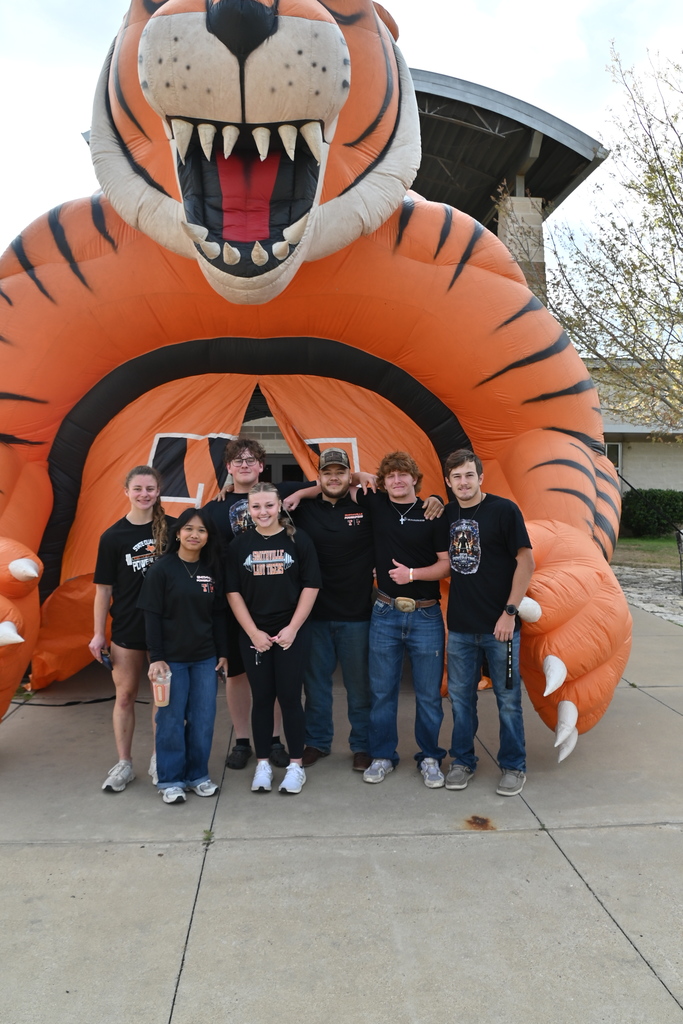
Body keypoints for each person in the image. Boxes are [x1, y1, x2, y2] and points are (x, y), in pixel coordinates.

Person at [204, 437, 317, 771]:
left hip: (279, 603)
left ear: (261, 465)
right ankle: (242, 740)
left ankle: (275, 739)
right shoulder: (215, 507)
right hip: (236, 604)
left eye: (251, 459)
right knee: (238, 675)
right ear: (227, 468)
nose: (244, 464)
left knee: (279, 680)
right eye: (237, 460)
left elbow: (327, 483)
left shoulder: (279, 492)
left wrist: (298, 494)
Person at [354, 452, 450, 788]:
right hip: (385, 611)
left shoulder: (433, 512)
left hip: (425, 612)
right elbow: (346, 478)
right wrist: (367, 476)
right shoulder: (377, 505)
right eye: (390, 475)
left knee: (427, 693)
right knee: (382, 692)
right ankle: (382, 756)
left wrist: (413, 574)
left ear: (415, 479)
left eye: (403, 474)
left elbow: (445, 564)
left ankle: (430, 758)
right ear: (383, 481)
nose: (397, 480)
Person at [442, 449, 534, 796]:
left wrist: (510, 612)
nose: (463, 483)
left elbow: (526, 562)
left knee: (508, 700)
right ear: (449, 482)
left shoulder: (504, 511)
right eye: (456, 477)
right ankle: (463, 761)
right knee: (461, 700)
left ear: (480, 477)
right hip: (462, 627)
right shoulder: (447, 513)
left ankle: (513, 765)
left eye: (469, 475)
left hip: (501, 627)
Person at [226, 483, 321, 795]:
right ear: (248, 510)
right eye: (256, 507)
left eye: (269, 505)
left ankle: (295, 765)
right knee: (263, 698)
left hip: (291, 632)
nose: (263, 512)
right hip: (255, 633)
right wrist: (253, 632)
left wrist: (293, 628)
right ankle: (263, 763)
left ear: (280, 506)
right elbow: (233, 592)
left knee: (291, 698)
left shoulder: (299, 540)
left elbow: (311, 585)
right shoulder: (240, 545)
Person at [291, 448, 375, 771]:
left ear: (349, 474)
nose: (335, 477)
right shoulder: (302, 508)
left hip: (356, 615)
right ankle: (317, 742)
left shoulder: (364, 504)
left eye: (342, 472)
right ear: (319, 477)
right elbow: (260, 492)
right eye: (328, 473)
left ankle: (362, 746)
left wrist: (359, 478)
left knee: (359, 687)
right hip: (314, 615)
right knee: (315, 686)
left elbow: (400, 490)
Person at [89, 465, 171, 793]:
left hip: (166, 628)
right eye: (138, 489)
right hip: (127, 627)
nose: (144, 494)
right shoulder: (112, 537)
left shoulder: (174, 529)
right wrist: (98, 634)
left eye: (150, 488)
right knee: (125, 696)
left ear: (158, 491)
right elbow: (103, 590)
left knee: (162, 699)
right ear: (127, 492)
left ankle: (158, 758)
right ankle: (124, 763)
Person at [138, 508, 228, 804]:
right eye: (189, 529)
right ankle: (170, 779)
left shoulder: (211, 569)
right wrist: (156, 658)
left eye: (201, 530)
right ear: (177, 533)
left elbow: (218, 615)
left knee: (203, 719)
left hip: (204, 658)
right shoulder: (162, 569)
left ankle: (197, 776)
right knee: (171, 719)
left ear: (207, 537)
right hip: (171, 660)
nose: (194, 535)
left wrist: (223, 653)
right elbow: (151, 615)